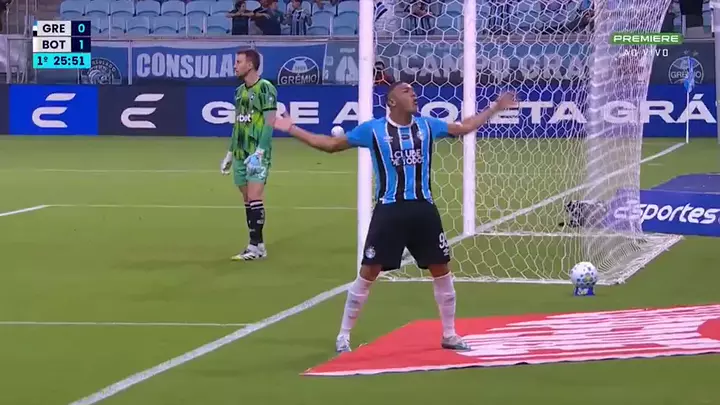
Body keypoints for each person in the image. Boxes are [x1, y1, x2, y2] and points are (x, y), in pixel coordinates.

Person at [271, 82, 517, 353]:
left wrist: (494, 107)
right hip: (389, 211)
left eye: (413, 91)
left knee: (441, 270)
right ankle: (344, 335)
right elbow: (330, 145)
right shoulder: (373, 130)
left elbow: (464, 127)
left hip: (424, 209)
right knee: (369, 272)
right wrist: (292, 129)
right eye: (406, 91)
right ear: (392, 102)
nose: (414, 94)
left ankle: (449, 334)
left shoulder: (427, 126)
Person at [220, 49, 277, 261]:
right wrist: (229, 153)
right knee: (247, 200)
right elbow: (238, 124)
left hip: (257, 152)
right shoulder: (238, 92)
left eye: (238, 62)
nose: (235, 66)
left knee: (254, 197)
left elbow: (270, 122)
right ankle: (258, 244)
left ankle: (254, 247)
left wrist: (260, 151)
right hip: (240, 152)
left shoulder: (266, 88)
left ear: (250, 65)